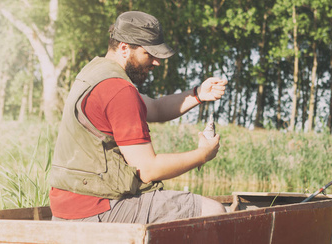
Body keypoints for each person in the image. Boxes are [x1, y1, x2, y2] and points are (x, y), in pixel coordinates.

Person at [49, 11, 228, 223]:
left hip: (70, 205)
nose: (156, 62)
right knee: (214, 211)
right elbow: (148, 170)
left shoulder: (95, 73)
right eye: (149, 54)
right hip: (98, 208)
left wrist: (197, 94)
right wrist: (202, 155)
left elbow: (156, 108)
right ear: (125, 48)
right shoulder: (119, 90)